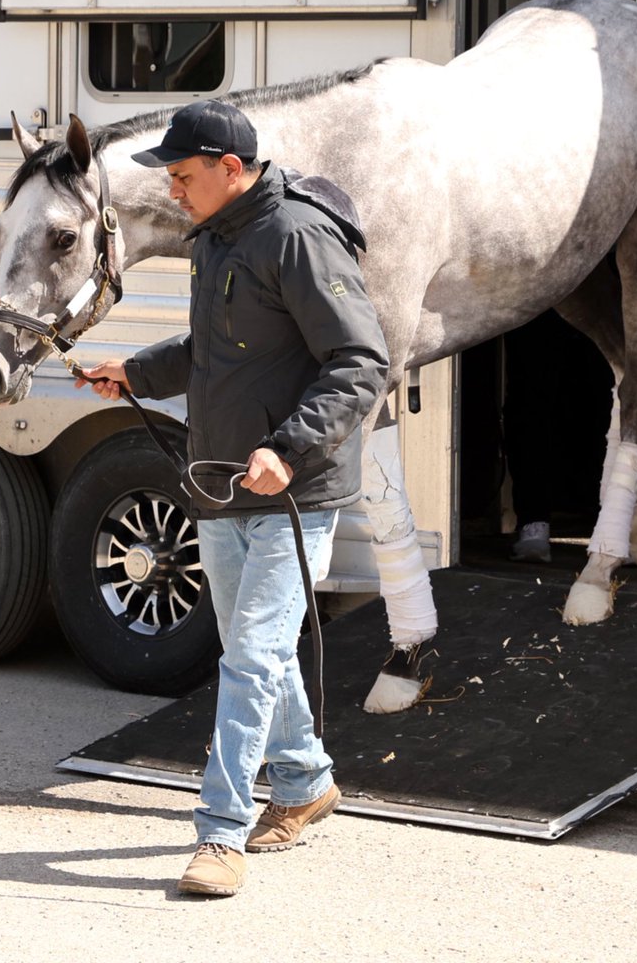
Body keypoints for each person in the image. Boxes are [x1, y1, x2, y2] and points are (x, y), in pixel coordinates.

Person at [78, 99, 389, 897]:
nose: (173, 192)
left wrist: (287, 451)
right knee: (263, 650)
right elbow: (215, 350)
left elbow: (359, 361)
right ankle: (306, 782)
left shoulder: (297, 236)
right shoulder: (216, 238)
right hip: (219, 481)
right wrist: (137, 374)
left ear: (229, 167)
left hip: (292, 491)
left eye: (183, 176)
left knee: (249, 656)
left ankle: (219, 835)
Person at [504, 0, 606, 563]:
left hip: (589, 256)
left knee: (588, 388)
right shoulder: (519, 69)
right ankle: (537, 517)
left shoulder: (610, 68)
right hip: (539, 256)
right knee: (537, 388)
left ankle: (585, 514)